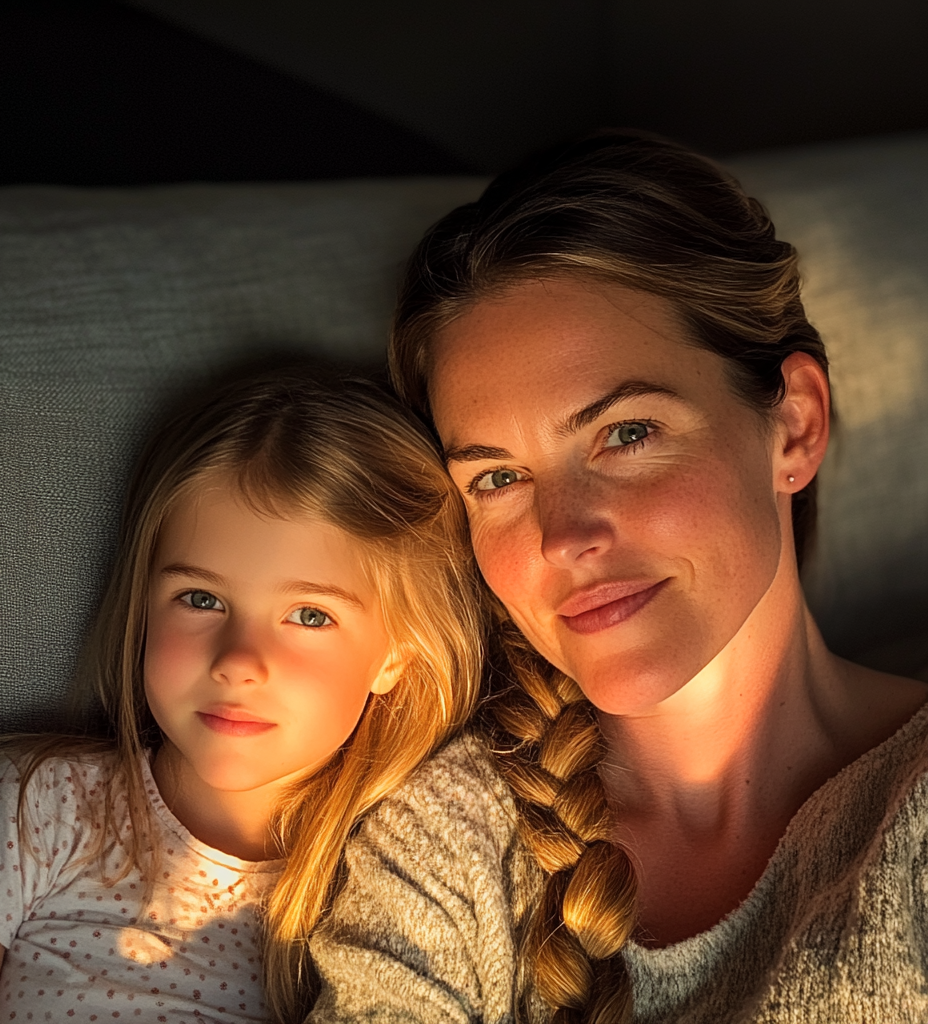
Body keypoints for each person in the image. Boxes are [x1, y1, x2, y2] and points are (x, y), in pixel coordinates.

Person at [305, 133, 928, 1024]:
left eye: (625, 434)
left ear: (792, 425)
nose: (564, 537)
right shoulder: (448, 840)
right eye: (497, 478)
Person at [0, 373, 483, 1024]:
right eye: (202, 600)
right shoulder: (32, 813)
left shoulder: (396, 890)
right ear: (144, 601)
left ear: (397, 654)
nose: (238, 662)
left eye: (309, 615)